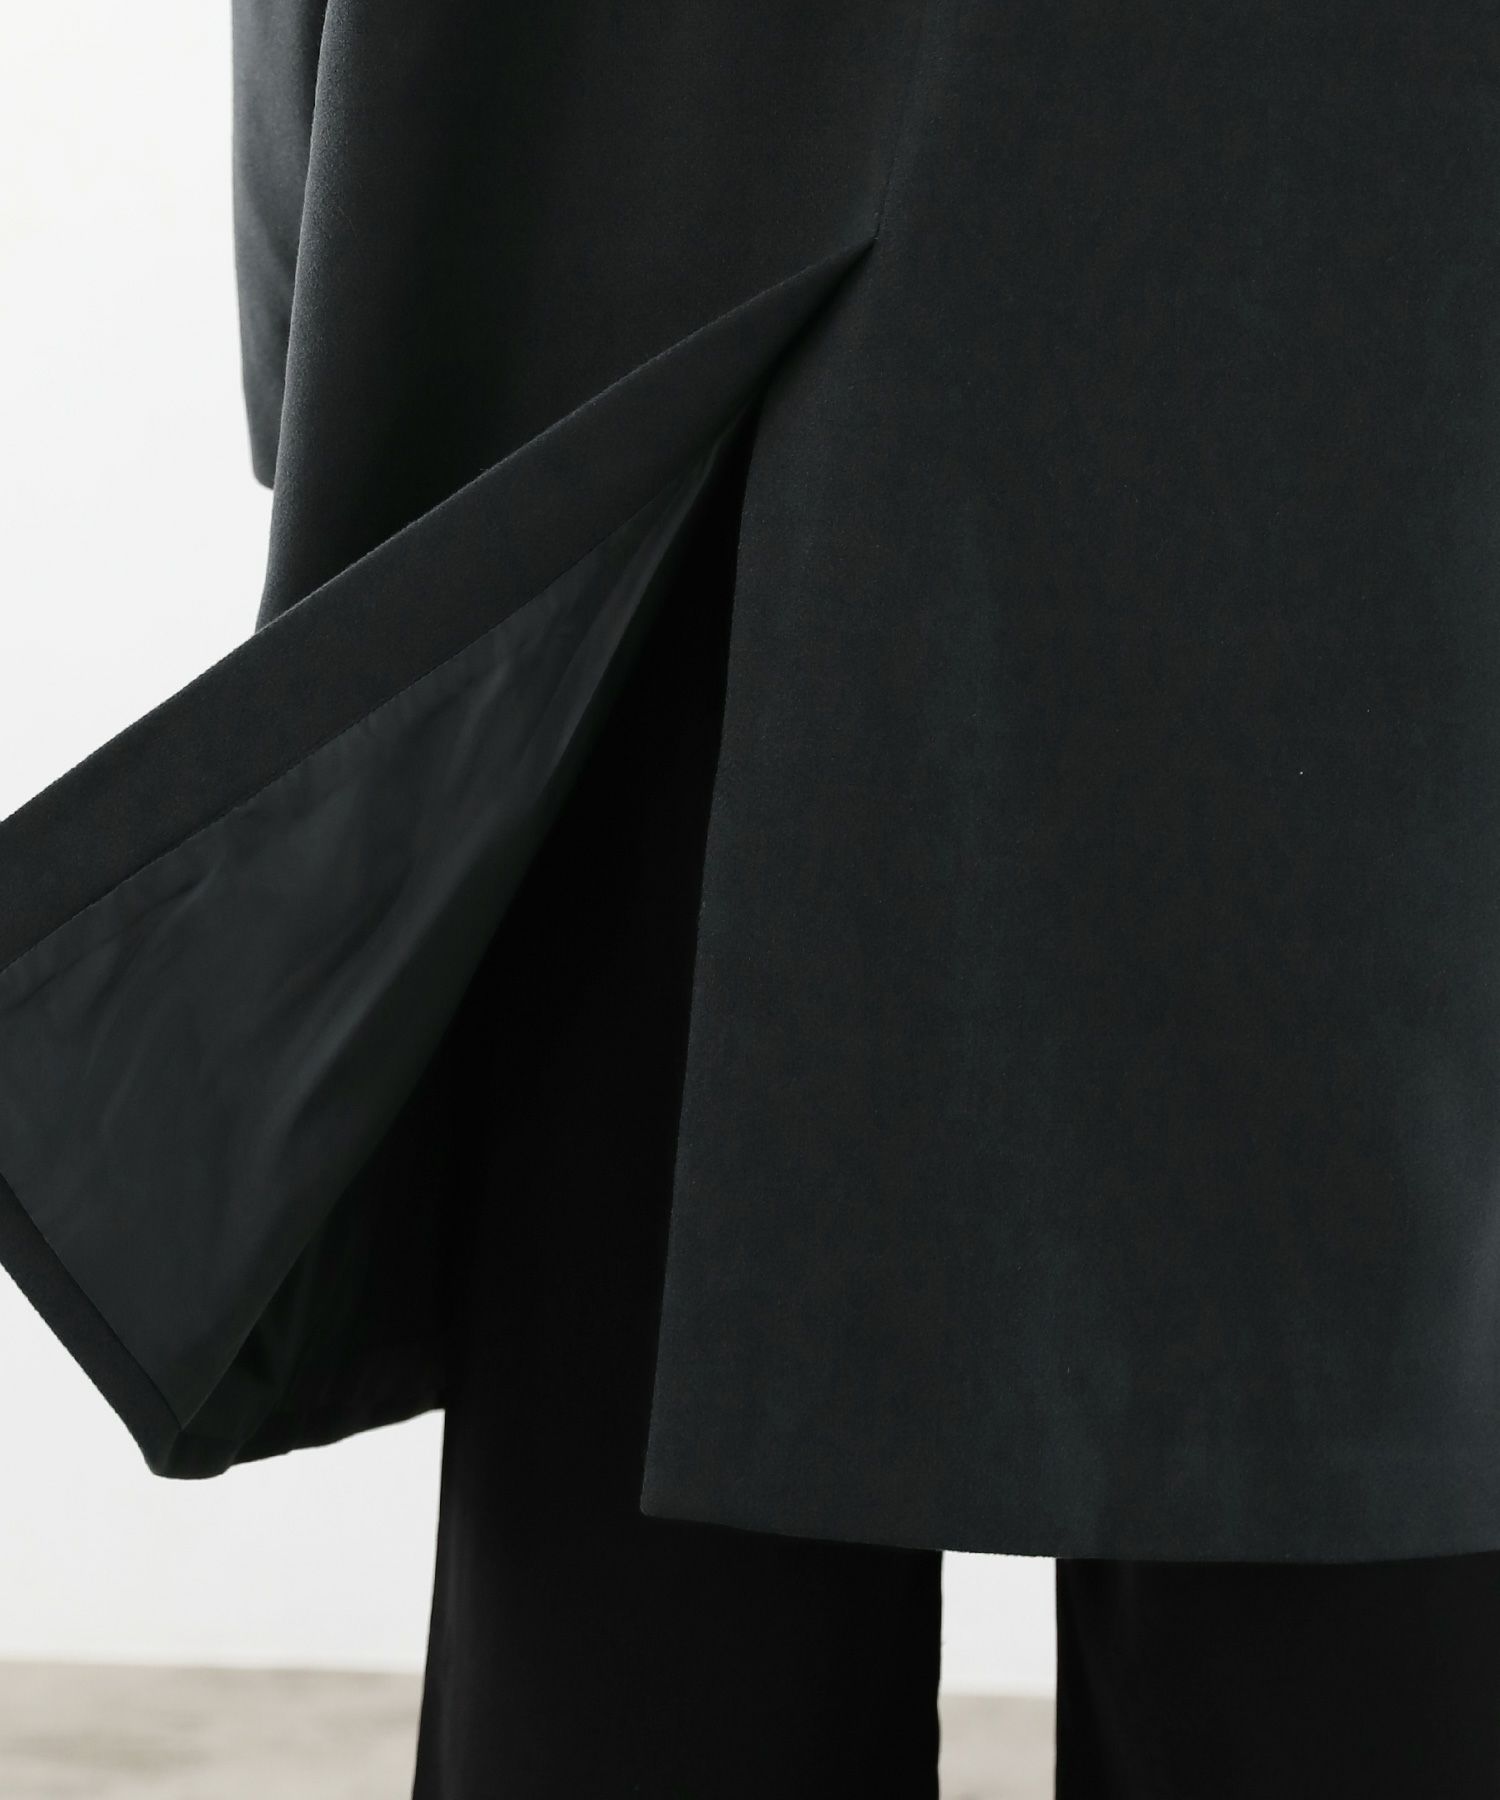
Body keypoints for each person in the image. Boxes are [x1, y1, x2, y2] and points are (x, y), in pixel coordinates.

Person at [3, 3, 1500, 1791]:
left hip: (659, 257)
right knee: (1342, 1499)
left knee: (656, 1594)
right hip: (1343, 309)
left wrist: (323, 312)